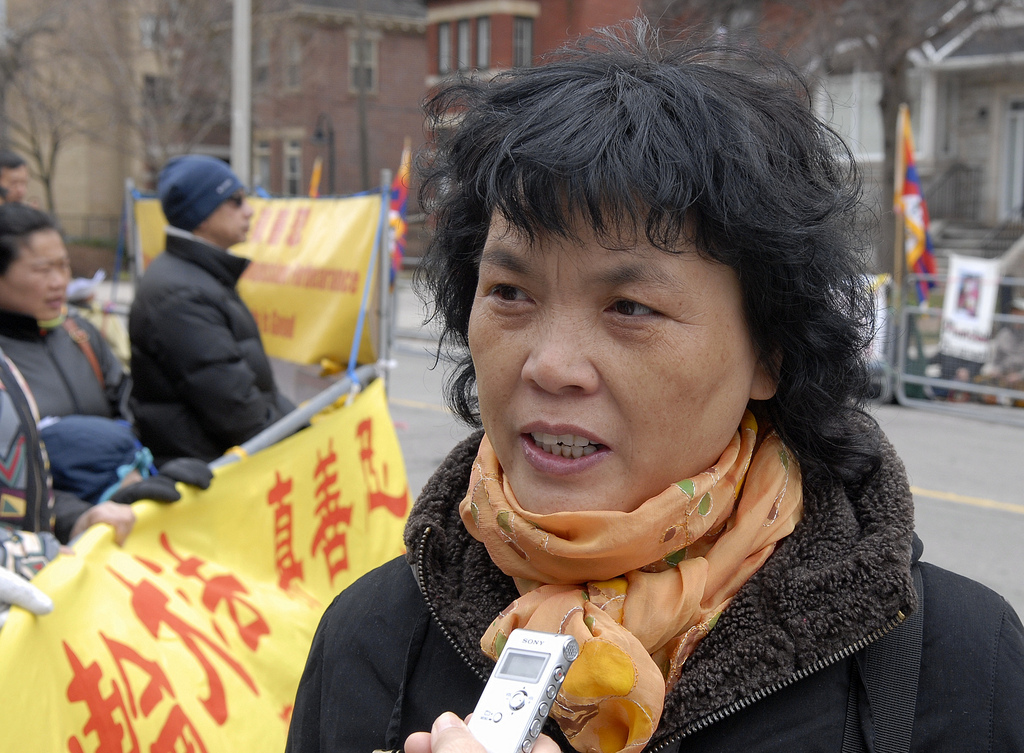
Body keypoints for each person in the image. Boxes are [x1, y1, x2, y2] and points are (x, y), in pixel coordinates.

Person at [285, 22, 1024, 753]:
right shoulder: (373, 640)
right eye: (510, 292)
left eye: (630, 308)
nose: (550, 366)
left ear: (769, 350)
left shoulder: (958, 665)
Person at [129, 155, 296, 466]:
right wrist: (299, 446)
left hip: (219, 463)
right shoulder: (180, 295)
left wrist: (302, 425)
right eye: (235, 200)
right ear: (201, 215)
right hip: (208, 473)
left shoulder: (198, 276)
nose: (249, 210)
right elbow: (236, 408)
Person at [0, 203, 130, 421]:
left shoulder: (80, 334)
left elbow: (127, 404)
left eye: (63, 266)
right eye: (43, 270)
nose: (59, 282)